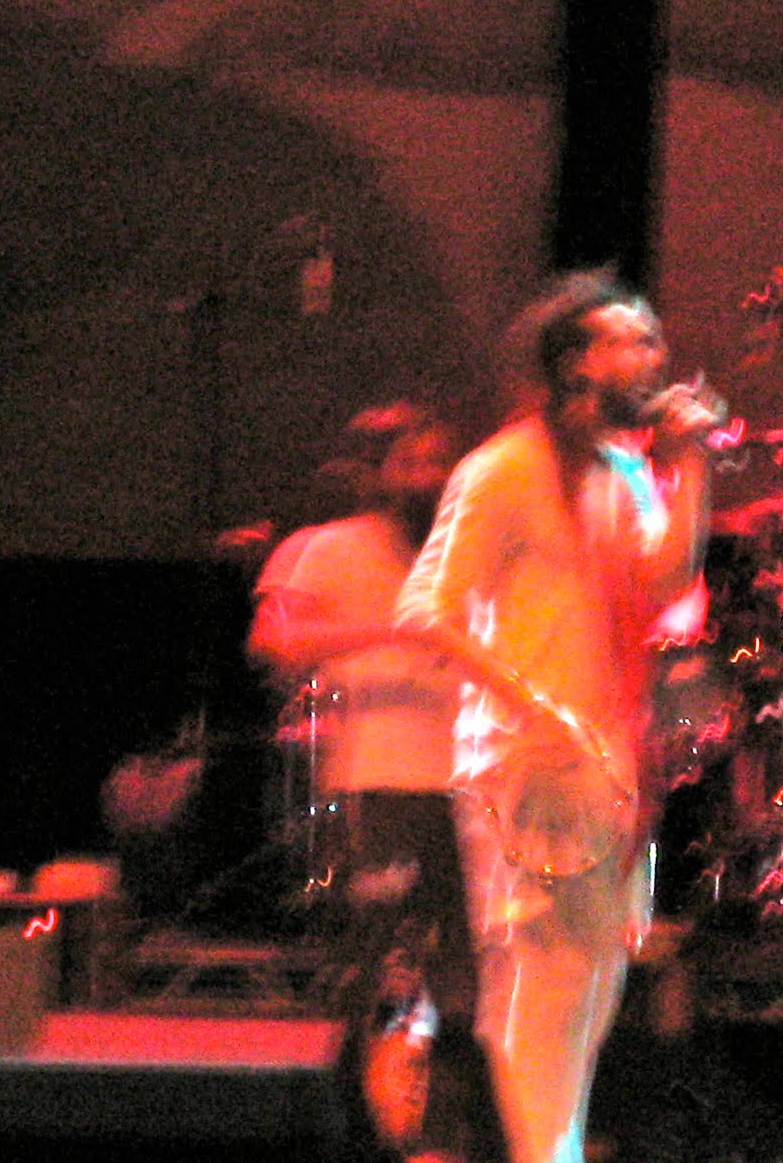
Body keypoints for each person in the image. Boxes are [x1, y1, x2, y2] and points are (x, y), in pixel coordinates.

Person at [394, 270, 721, 1163]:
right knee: (539, 982)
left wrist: (691, 464)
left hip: (602, 764)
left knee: (597, 983)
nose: (657, 354)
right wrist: (530, 705)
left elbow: (662, 579)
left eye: (654, 338)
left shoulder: (624, 469)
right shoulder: (500, 469)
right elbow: (424, 610)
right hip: (522, 763)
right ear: (577, 362)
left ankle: (553, 1150)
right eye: (633, 339)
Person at [247, 401, 509, 1163]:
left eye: (439, 462)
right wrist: (394, 629)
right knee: (391, 965)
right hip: (384, 786)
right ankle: (382, 1135)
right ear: (380, 474)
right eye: (410, 462)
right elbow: (273, 640)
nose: (427, 476)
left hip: (476, 791)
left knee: (473, 975)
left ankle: (452, 1138)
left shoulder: (474, 549)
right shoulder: (328, 548)